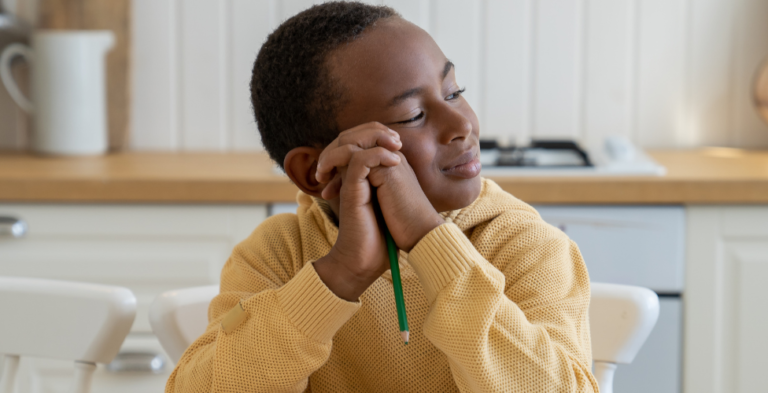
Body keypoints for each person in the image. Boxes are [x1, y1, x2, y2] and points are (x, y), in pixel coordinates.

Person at [165, 2, 598, 392]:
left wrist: (430, 241)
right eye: (413, 116)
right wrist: (337, 276)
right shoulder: (276, 256)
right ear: (313, 171)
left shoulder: (525, 246)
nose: (461, 124)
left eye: (454, 92)